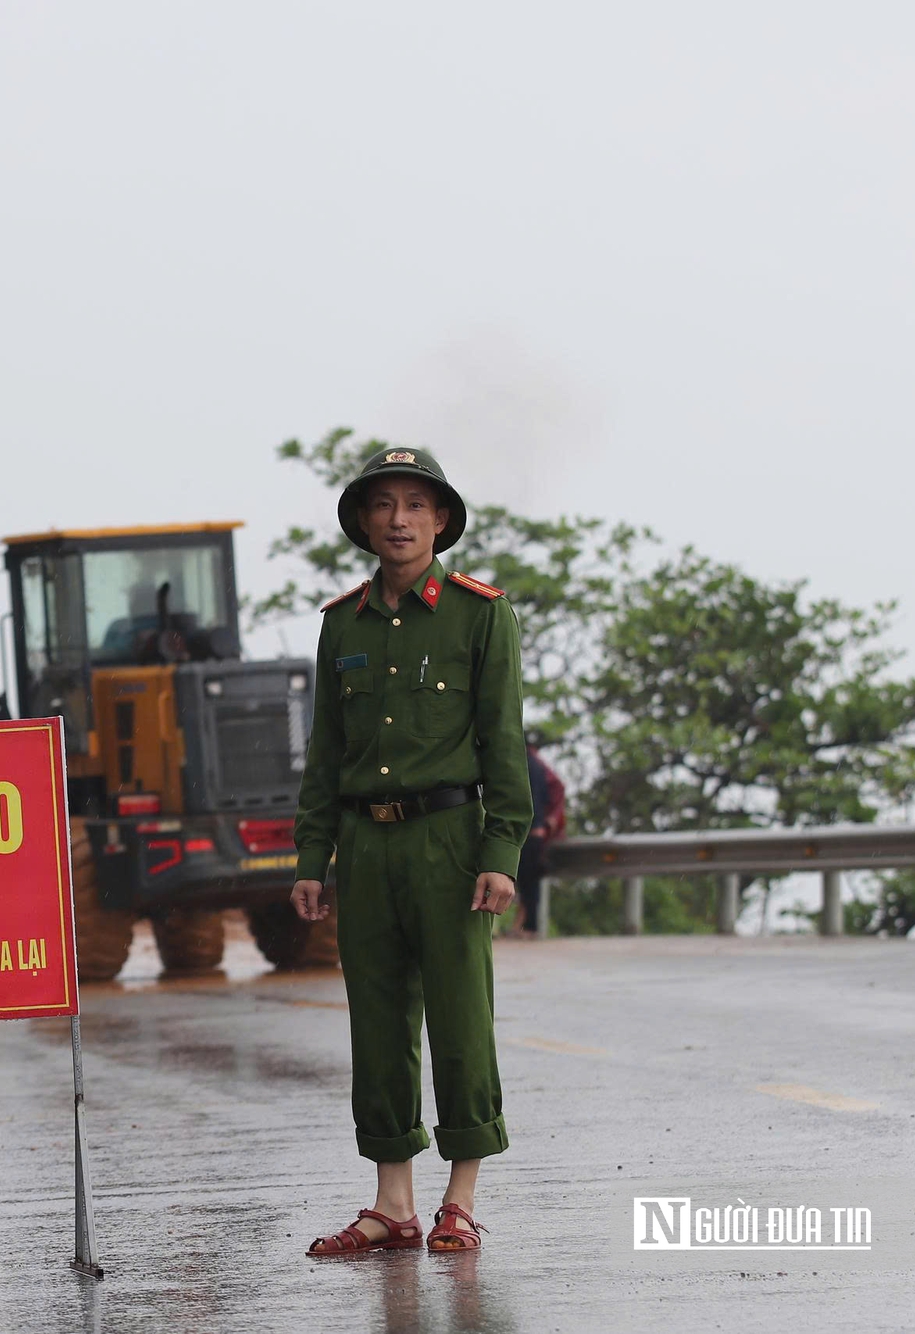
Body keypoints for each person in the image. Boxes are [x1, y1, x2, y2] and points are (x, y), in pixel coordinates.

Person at [289, 445, 531, 1255]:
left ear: (441, 521)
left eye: (416, 506)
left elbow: (504, 744)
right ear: (362, 520)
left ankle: (460, 1199)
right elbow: (325, 756)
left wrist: (501, 850)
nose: (399, 520)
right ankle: (392, 1204)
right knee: (378, 1023)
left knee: (462, 1018)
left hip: (450, 842)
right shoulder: (341, 624)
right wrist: (310, 859)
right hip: (364, 846)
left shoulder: (479, 614)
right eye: (384, 504)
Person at [515, 740, 565, 938]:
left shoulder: (529, 764)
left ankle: (530, 928)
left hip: (531, 832)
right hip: (536, 831)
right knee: (527, 882)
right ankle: (524, 927)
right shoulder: (536, 764)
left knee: (528, 883)